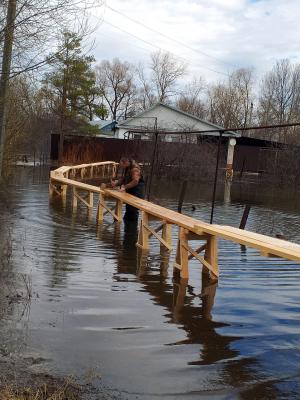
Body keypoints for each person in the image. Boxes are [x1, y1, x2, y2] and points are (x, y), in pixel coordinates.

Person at [111, 157, 145, 221]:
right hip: (131, 192)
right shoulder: (128, 168)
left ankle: (132, 228)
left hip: (137, 193)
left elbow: (135, 181)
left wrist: (124, 187)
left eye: (122, 165)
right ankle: (126, 226)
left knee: (133, 210)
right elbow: (124, 179)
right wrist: (116, 183)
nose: (121, 167)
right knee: (128, 209)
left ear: (126, 162)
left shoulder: (135, 169)